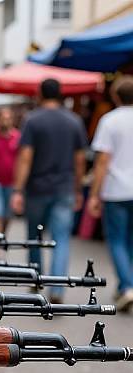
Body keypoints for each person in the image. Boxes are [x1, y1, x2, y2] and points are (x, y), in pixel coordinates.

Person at [11, 78, 87, 302]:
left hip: (37, 188)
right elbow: (80, 159)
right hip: (64, 187)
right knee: (61, 238)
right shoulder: (74, 121)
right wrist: (78, 188)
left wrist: (17, 189)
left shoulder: (32, 120)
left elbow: (25, 157)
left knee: (35, 235)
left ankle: (36, 280)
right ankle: (57, 288)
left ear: (40, 94)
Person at [87, 76, 133, 311]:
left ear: (115, 96)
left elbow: (103, 161)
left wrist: (94, 194)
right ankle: (126, 285)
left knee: (116, 240)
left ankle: (127, 286)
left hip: (116, 190)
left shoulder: (110, 121)